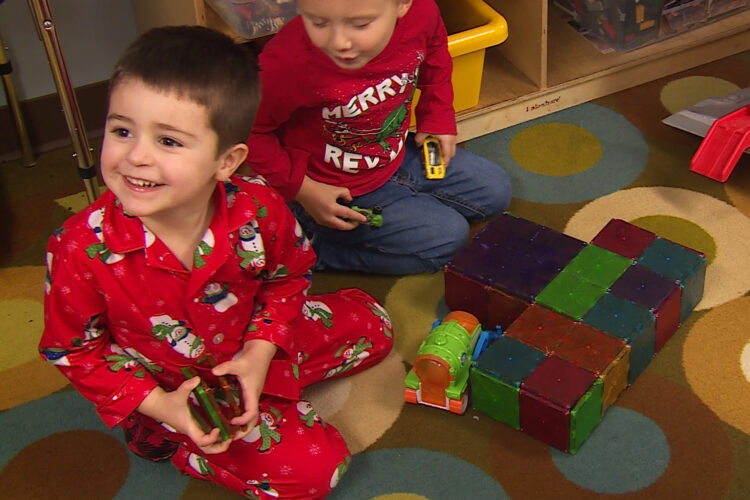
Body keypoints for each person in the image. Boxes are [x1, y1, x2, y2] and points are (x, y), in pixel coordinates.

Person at [39, 26, 393, 499]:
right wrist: (163, 407)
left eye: (168, 142)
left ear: (227, 161)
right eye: (122, 130)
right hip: (177, 388)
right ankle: (170, 440)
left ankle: (267, 387)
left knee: (378, 327)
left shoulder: (260, 207)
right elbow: (75, 351)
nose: (135, 156)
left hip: (254, 341)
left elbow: (288, 278)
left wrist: (261, 351)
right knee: (317, 474)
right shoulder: (77, 248)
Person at [248, 0, 512, 275]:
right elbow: (250, 130)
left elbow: (435, 56)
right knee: (448, 237)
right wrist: (303, 189)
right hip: (332, 190)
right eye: (318, 22)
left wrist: (437, 116)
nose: (339, 42)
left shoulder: (423, 13)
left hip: (396, 156)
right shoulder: (287, 60)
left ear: (403, 4)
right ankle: (313, 247)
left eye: (361, 24)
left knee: (496, 189)